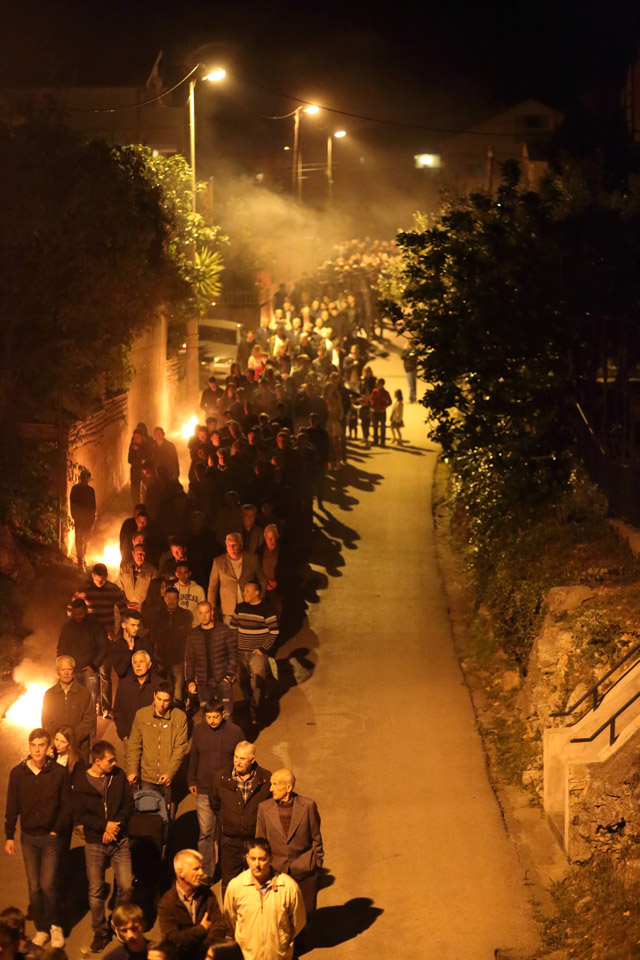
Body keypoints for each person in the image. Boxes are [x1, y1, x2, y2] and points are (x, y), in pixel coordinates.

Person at [4, 728, 69, 949]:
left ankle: (56, 925)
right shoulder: (18, 773)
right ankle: (42, 928)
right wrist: (9, 835)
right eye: (33, 745)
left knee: (48, 884)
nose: (37, 749)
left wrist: (56, 829)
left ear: (48, 747)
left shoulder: (58, 773)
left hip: (50, 836)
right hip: (28, 837)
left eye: (41, 745)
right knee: (34, 887)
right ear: (29, 746)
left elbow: (66, 805)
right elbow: (12, 805)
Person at [70, 740, 133, 954]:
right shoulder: (81, 782)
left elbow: (128, 804)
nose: (114, 763)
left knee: (126, 884)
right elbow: (79, 815)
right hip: (95, 842)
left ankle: (117, 920)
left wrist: (114, 827)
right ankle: (100, 930)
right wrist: (103, 826)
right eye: (110, 760)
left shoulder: (118, 775)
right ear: (97, 762)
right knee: (96, 890)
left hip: (119, 840)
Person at [187, 700, 243, 879]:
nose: (211, 721)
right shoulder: (198, 730)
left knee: (227, 831)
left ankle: (229, 868)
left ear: (223, 715)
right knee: (206, 833)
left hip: (227, 790)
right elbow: (194, 755)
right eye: (208, 717)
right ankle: (207, 873)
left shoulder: (235, 732)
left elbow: (243, 759)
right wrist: (191, 780)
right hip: (204, 789)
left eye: (215, 717)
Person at [223, 838, 305, 960]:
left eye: (262, 859)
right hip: (247, 956)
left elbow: (298, 922)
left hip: (278, 955)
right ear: (246, 858)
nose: (257, 865)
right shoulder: (236, 887)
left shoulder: (288, 887)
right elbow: (230, 920)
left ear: (271, 859)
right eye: (253, 859)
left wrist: (282, 942)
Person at [255, 770, 323, 915]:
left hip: (304, 870)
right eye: (271, 784)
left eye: (275, 784)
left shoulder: (308, 806)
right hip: (276, 871)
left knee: (306, 914)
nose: (271, 788)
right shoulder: (264, 808)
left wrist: (317, 862)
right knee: (279, 914)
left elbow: (316, 836)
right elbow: (260, 840)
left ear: (288, 788)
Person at [209, 742, 271, 896]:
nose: (237, 762)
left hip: (255, 840)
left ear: (252, 759)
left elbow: (271, 807)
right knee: (230, 883)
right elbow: (215, 803)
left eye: (243, 759)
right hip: (230, 841)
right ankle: (231, 917)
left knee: (258, 880)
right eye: (236, 757)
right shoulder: (222, 778)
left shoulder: (266, 779)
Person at [70, 563, 128, 720]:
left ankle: (106, 708)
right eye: (98, 580)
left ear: (106, 577)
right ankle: (92, 706)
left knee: (105, 673)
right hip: (89, 639)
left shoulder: (113, 589)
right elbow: (71, 609)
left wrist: (119, 633)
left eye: (103, 580)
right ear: (93, 576)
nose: (101, 583)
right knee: (90, 673)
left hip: (107, 638)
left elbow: (124, 611)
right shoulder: (84, 590)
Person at [125, 684, 188, 811]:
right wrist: (132, 770)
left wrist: (170, 772)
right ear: (154, 696)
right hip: (147, 776)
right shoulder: (142, 715)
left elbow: (179, 749)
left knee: (166, 814)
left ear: (171, 701)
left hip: (167, 778)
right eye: (159, 699)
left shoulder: (179, 717)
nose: (161, 704)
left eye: (166, 701)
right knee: (147, 814)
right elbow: (134, 745)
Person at [157, 850, 229, 960]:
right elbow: (173, 940)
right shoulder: (167, 903)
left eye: (201, 868)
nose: (201, 873)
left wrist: (199, 948)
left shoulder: (207, 894)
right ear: (180, 872)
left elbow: (220, 927)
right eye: (196, 869)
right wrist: (201, 929)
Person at [230, 581, 278, 723]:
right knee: (242, 680)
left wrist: (263, 649)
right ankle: (248, 701)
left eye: (248, 591)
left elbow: (274, 631)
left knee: (257, 683)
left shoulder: (266, 610)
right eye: (244, 591)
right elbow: (233, 628)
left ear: (257, 593)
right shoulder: (240, 608)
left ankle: (254, 710)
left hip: (257, 654)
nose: (244, 594)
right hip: (240, 652)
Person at [185, 602, 237, 717]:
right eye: (201, 613)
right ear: (197, 614)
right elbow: (190, 660)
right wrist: (190, 680)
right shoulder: (193, 634)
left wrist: (229, 675)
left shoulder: (223, 630)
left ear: (212, 612)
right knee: (207, 715)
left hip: (222, 678)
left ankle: (227, 735)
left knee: (226, 714)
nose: (204, 616)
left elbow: (233, 653)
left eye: (207, 612)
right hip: (203, 682)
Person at [57, 599, 107, 710]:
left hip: (89, 672)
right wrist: (62, 667)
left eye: (80, 614)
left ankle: (90, 728)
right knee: (72, 707)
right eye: (75, 614)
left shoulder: (95, 625)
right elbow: (61, 648)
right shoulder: (67, 627)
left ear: (86, 611)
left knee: (90, 707)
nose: (78, 617)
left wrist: (94, 665)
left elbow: (103, 647)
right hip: (72, 672)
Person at [42, 656, 95, 763]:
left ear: (73, 670)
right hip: (58, 748)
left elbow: (89, 720)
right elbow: (46, 720)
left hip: (79, 747)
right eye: (63, 669)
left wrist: (72, 739)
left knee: (78, 777)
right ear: (57, 672)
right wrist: (59, 741)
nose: (66, 673)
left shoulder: (85, 693)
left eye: (69, 669)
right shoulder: (49, 694)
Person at [207, 533, 266, 625]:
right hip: (228, 610)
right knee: (229, 637)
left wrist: (260, 598)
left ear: (241, 545)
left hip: (249, 607)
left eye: (235, 544)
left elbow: (262, 579)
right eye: (229, 545)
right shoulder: (219, 562)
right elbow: (212, 587)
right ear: (226, 546)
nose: (232, 547)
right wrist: (211, 607)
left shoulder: (252, 559)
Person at [149, 586, 192, 702]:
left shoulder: (185, 615)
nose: (171, 601)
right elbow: (153, 634)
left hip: (178, 658)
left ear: (178, 599)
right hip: (161, 658)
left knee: (178, 690)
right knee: (161, 689)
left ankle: (178, 714)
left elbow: (186, 635)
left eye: (174, 598)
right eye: (169, 598)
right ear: (164, 599)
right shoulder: (158, 615)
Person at [113, 651, 159, 742]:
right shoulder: (124, 685)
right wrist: (123, 734)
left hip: (153, 739)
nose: (138, 665)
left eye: (141, 662)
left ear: (149, 665)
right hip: (131, 739)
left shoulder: (158, 684)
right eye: (135, 662)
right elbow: (117, 711)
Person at [116, 545, 159, 613]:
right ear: (133, 554)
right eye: (138, 553)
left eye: (142, 553)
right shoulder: (124, 569)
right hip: (127, 609)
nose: (140, 556)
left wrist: (143, 605)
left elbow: (154, 592)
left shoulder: (152, 571)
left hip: (145, 610)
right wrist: (125, 603)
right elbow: (119, 588)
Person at [69, 468, 96, 570]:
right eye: (84, 479)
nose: (86, 482)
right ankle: (80, 561)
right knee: (79, 539)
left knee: (87, 540)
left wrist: (93, 518)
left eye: (87, 480)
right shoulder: (75, 489)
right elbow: (73, 503)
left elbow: (93, 505)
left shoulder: (90, 491)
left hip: (88, 520)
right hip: (80, 519)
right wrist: (75, 516)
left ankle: (83, 556)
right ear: (81, 479)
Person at [112, 612, 153, 680]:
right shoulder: (117, 646)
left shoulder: (144, 643)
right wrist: (130, 650)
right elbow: (120, 671)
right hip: (127, 687)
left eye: (138, 625)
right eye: (133, 625)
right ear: (123, 625)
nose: (136, 628)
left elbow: (153, 667)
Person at [369, 377, 392, 447]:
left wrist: (385, 406)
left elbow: (390, 401)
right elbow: (371, 399)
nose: (379, 385)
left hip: (382, 411)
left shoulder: (386, 393)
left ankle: (382, 441)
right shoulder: (374, 391)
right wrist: (372, 405)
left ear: (382, 384)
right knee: (375, 427)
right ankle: (375, 441)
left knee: (382, 427)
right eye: (378, 384)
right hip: (375, 411)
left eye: (380, 384)